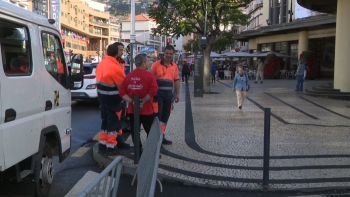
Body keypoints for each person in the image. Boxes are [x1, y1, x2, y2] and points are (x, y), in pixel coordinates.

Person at [119, 53, 158, 155]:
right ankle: (152, 151)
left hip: (132, 110)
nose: (149, 64)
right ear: (143, 63)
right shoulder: (149, 76)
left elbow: (122, 93)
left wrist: (132, 101)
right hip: (147, 110)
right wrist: (143, 101)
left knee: (135, 131)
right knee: (150, 131)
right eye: (148, 62)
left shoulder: (129, 76)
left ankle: (138, 150)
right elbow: (153, 91)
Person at [96, 42, 130, 156]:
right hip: (114, 100)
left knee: (105, 123)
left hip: (103, 99)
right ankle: (111, 147)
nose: (122, 52)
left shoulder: (101, 64)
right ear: (115, 52)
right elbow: (122, 87)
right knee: (114, 124)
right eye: (120, 50)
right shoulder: (115, 67)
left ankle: (102, 144)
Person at [150, 45, 180, 145]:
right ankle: (155, 137)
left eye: (170, 54)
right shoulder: (155, 65)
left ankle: (161, 136)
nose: (168, 55)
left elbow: (176, 80)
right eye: (167, 53)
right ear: (164, 53)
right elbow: (149, 79)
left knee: (165, 117)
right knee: (157, 117)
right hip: (157, 96)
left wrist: (178, 94)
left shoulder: (174, 66)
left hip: (168, 96)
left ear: (173, 54)